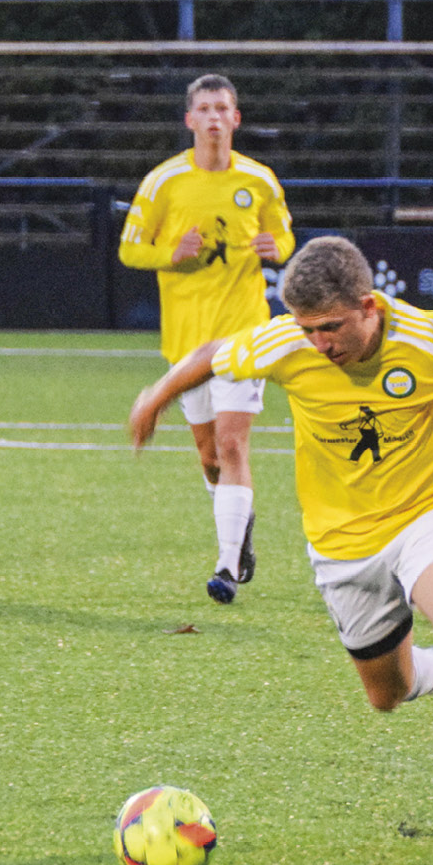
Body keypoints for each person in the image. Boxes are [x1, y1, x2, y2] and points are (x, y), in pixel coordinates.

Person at [130, 236, 433, 856]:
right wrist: (156, 396)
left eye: (332, 327)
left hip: (430, 516)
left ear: (369, 304)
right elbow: (216, 353)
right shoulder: (287, 343)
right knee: (388, 691)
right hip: (342, 545)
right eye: (308, 330)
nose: (320, 344)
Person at [118, 73, 295, 606]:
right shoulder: (163, 182)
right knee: (209, 457)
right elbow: (130, 250)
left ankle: (225, 562)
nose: (215, 118)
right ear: (190, 120)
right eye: (205, 109)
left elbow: (285, 235)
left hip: (244, 335)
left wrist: (277, 247)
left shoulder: (259, 181)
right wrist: (170, 253)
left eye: (223, 108)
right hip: (185, 340)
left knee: (233, 443)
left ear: (236, 119)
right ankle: (239, 526)